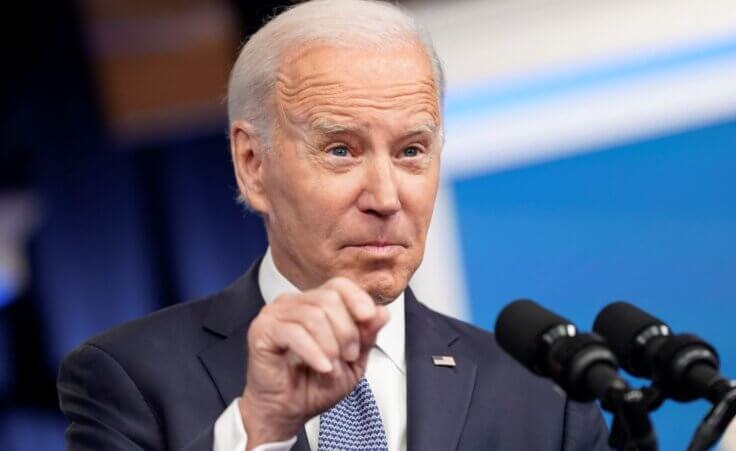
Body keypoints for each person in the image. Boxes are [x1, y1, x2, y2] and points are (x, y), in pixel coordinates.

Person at [57, 1, 610, 450]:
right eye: (341, 150)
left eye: (411, 150)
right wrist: (257, 431)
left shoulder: (544, 399)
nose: (387, 197)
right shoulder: (127, 378)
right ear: (253, 165)